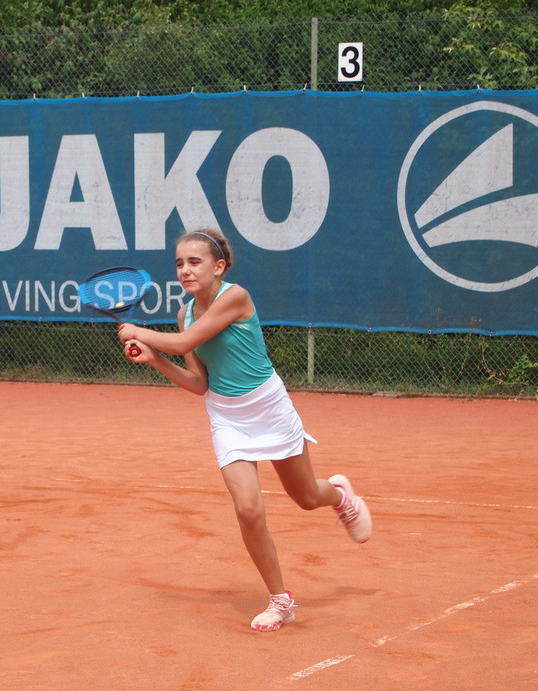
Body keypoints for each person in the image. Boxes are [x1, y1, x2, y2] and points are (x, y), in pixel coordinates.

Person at [117, 228, 371, 632]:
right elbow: (199, 383)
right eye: (179, 263)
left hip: (269, 408)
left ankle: (340, 496)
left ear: (219, 267)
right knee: (248, 509)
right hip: (228, 418)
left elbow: (183, 343)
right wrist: (154, 360)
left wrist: (137, 331)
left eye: (194, 262)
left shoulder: (235, 297)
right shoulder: (184, 314)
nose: (185, 270)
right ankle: (280, 600)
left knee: (306, 497)